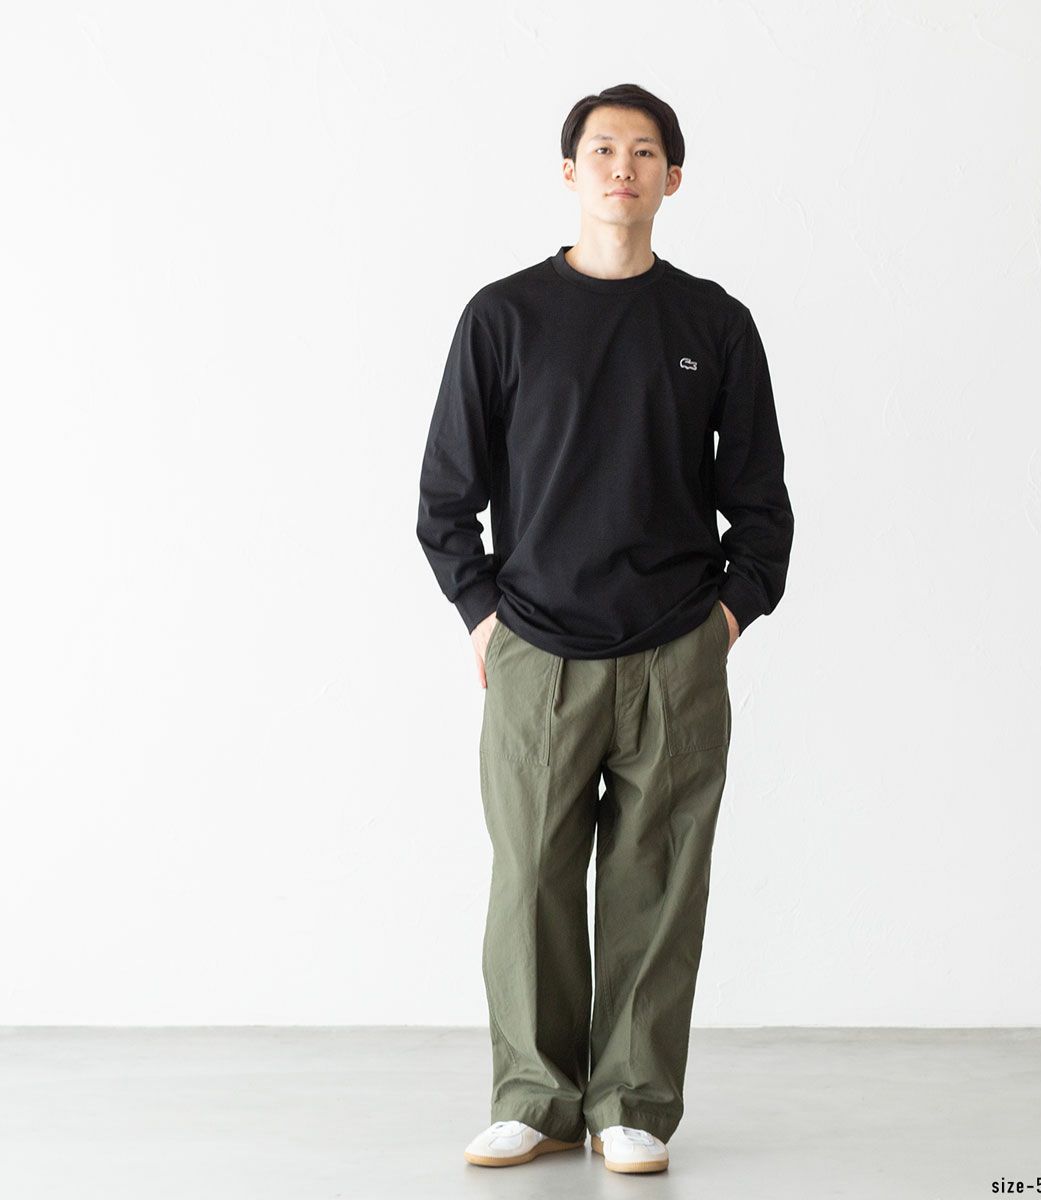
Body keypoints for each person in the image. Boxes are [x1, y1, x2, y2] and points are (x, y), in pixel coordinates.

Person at [416, 82, 794, 1174]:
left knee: (656, 886)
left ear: (673, 177)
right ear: (569, 173)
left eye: (643, 151)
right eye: (601, 150)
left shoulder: (714, 323)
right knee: (530, 880)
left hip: (676, 649)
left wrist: (724, 620)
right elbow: (446, 497)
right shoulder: (505, 316)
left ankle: (631, 1101)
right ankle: (535, 1099)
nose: (621, 167)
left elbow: (761, 506)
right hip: (537, 651)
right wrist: (483, 618)